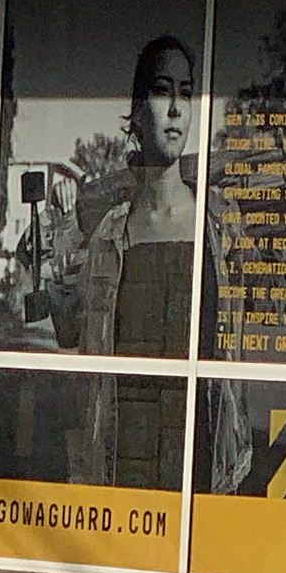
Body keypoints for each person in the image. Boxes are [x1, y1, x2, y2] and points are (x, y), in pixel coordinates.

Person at [75, 34, 201, 357]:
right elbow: (68, 326)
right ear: (139, 110)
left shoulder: (216, 226)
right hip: (123, 406)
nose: (175, 108)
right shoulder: (107, 232)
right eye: (162, 90)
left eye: (185, 93)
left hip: (194, 407)